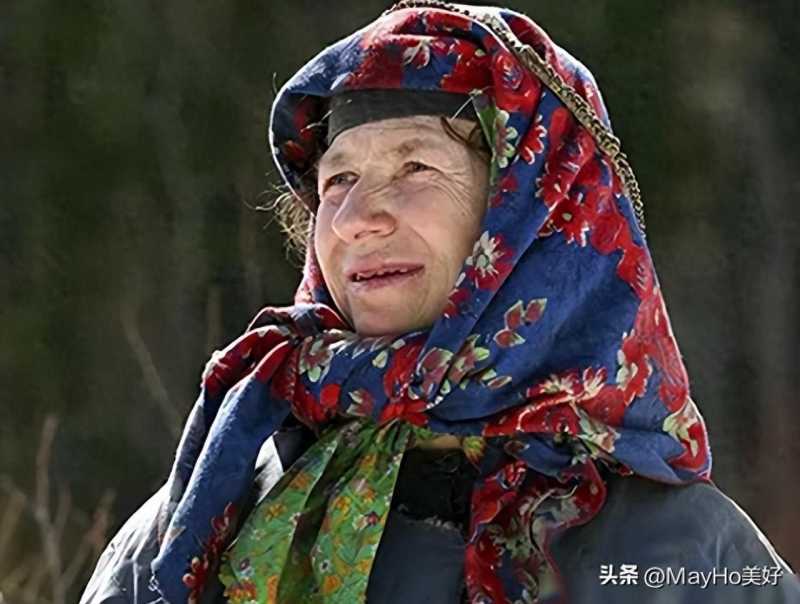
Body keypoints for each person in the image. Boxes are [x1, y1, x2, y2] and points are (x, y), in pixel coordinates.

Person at [80, 3, 800, 603]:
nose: (356, 219)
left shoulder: (683, 558)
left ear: (534, 215)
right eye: (337, 181)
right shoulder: (211, 508)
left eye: (415, 166)